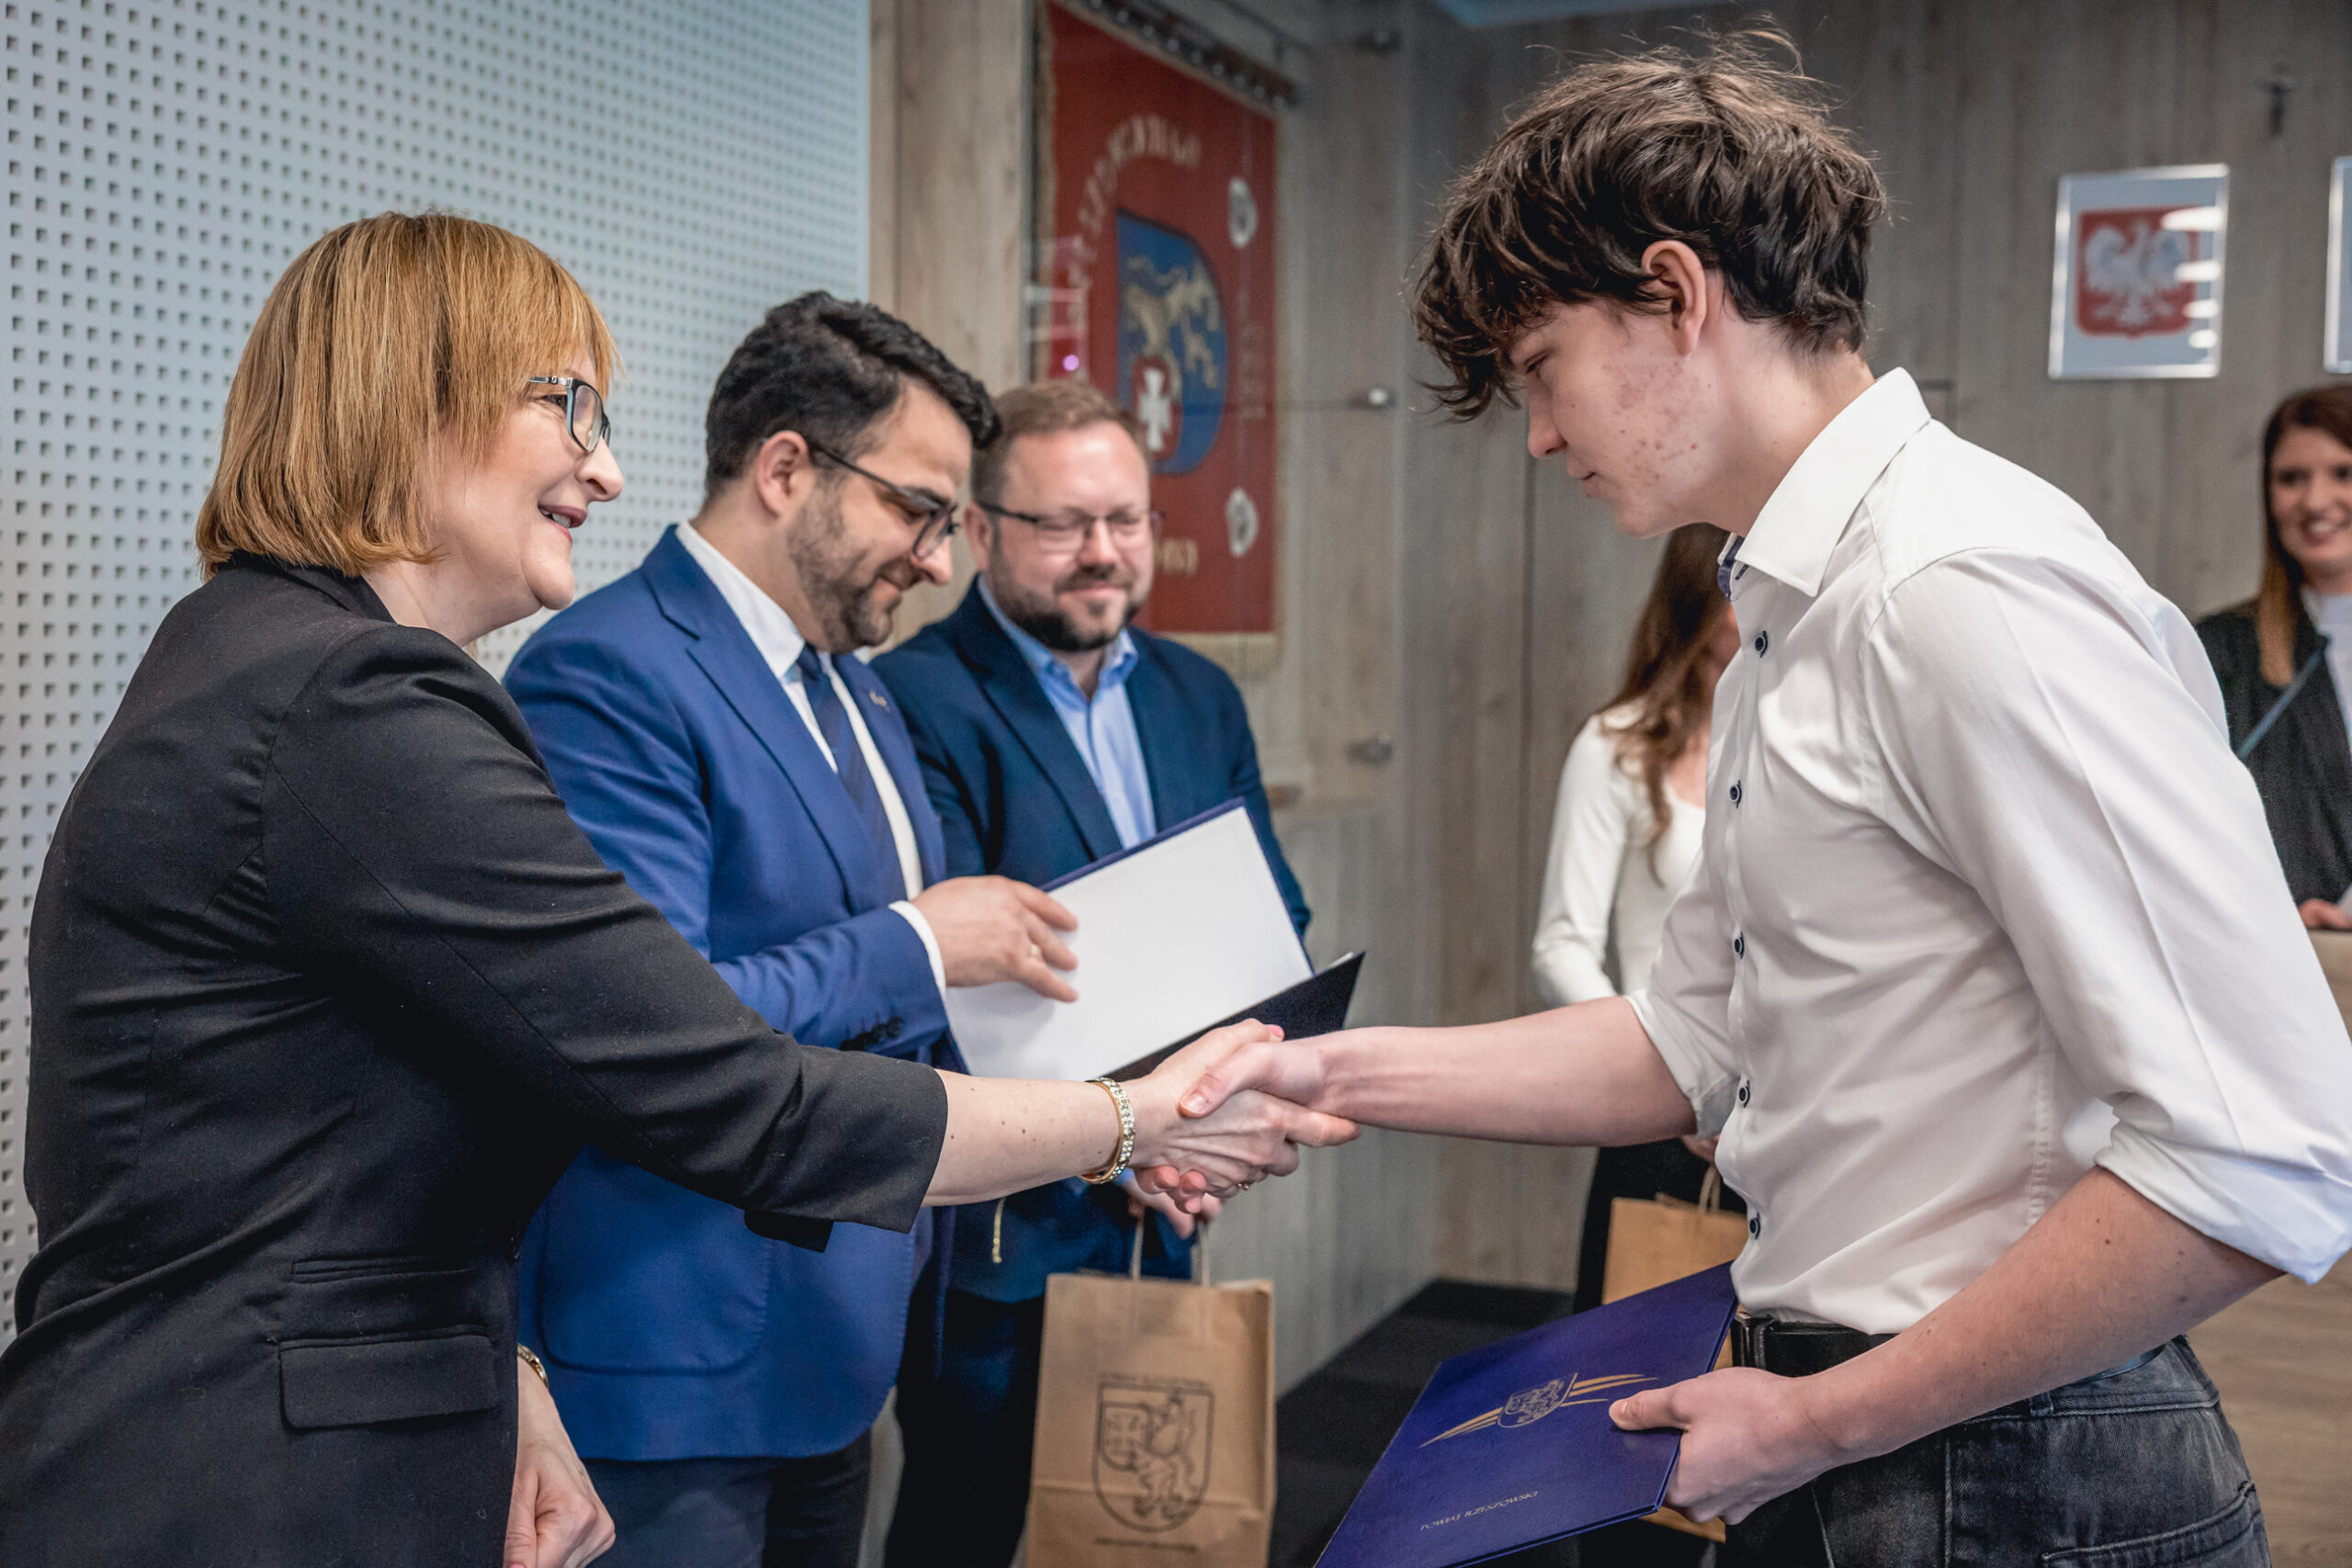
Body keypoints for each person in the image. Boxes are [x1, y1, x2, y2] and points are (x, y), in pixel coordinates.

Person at [0, 213, 1354, 1568]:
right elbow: (720, 1083)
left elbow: (353, 1134)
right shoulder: (355, 700)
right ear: (417, 398)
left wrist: (505, 1361)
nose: (606, 466)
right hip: (245, 1473)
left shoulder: (274, 664)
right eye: (572, 407)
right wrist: (1127, 1118)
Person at [1175, 36, 2352, 1562]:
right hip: (1879, 1420)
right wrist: (1322, 1072)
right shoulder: (1791, 620)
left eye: (1543, 367)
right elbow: (1690, 1039)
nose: (1540, 434)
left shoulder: (1957, 584)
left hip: (2006, 1457)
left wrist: (1816, 1420)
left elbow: (2268, 1146)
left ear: (1676, 294)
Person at [503, 293, 1094, 1568]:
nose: (938, 561)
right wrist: (922, 942)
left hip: (845, 1340)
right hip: (677, 1363)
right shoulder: (607, 672)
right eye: (919, 510)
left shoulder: (859, 690)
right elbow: (652, 1029)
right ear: (785, 469)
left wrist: (1110, 1106)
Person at [874, 378, 1309, 1568]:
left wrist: (1201, 1115)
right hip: (1002, 1236)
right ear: (980, 529)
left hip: (1163, 1209)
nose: (1104, 552)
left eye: (1125, 519)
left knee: (1137, 1533)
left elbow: (1270, 917)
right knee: (962, 1530)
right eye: (1064, 524)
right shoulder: (911, 698)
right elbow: (955, 978)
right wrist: (1141, 1134)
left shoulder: (1197, 694)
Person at [1531, 523, 1747, 1323]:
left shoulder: (1794, 735)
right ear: (1703, 593)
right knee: (1634, 1363)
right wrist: (1667, 1075)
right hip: (1660, 1111)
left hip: (1782, 1119)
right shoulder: (1616, 745)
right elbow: (1561, 947)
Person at [2197, 386, 2352, 929]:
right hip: (2287, 955)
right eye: (2291, 479)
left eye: (2343, 473)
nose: (2315, 502)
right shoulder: (2221, 651)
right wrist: (2270, 911)